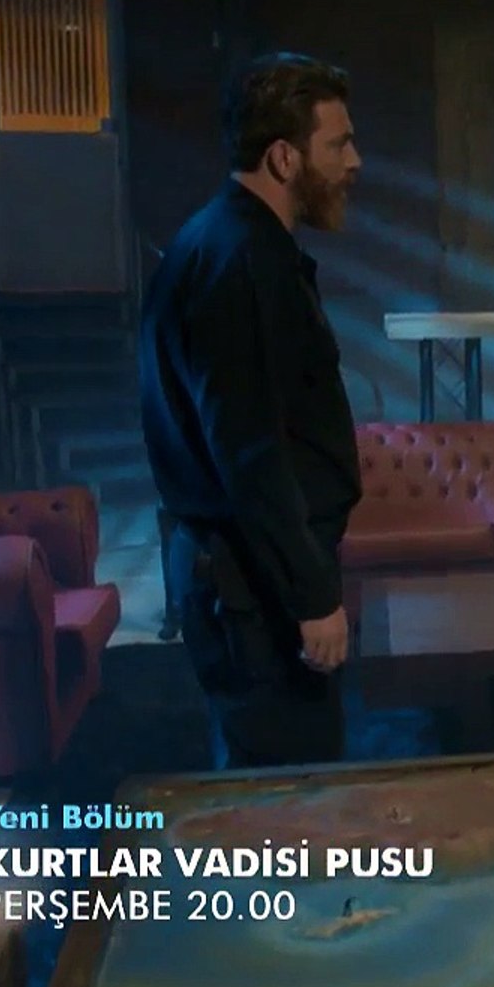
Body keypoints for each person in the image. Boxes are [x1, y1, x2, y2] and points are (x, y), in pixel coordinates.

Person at [140, 52, 364, 768]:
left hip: (247, 578)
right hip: (254, 593)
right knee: (286, 798)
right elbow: (251, 454)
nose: (354, 162)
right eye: (338, 144)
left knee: (274, 786)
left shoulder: (224, 242)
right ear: (283, 157)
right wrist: (312, 596)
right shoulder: (242, 261)